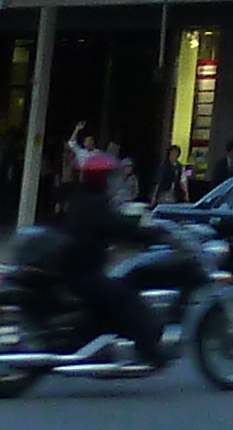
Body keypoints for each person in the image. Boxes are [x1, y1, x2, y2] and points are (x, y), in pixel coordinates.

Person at [50, 146, 156, 364]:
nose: (111, 181)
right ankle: (150, 351)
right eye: (108, 176)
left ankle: (101, 340)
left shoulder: (79, 197)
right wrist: (148, 233)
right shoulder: (96, 204)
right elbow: (118, 227)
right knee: (127, 299)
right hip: (83, 272)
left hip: (74, 268)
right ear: (100, 179)